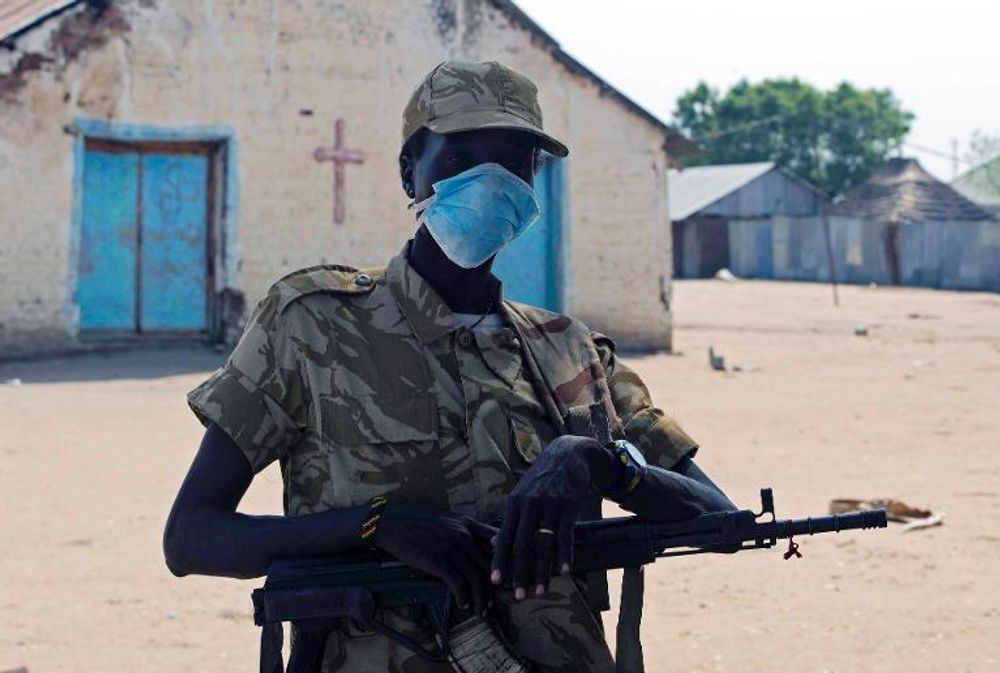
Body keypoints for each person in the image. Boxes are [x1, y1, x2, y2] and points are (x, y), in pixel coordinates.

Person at [163, 60, 736, 673]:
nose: (490, 184)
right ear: (413, 172)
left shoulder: (572, 350)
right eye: (461, 159)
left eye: (514, 164)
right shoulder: (311, 326)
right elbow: (193, 536)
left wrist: (601, 463)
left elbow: (720, 520)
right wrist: (375, 527)